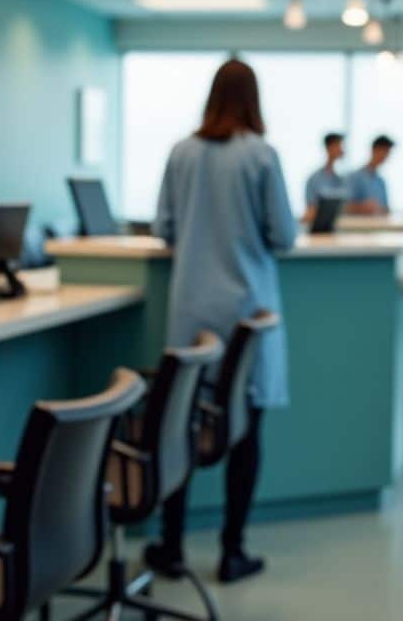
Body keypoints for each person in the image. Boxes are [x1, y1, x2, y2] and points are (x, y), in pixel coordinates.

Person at [149, 58, 297, 583]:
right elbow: (284, 236)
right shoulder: (261, 155)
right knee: (244, 431)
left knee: (179, 429)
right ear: (254, 99)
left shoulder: (180, 153)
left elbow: (164, 228)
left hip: (190, 314)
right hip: (245, 315)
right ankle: (232, 551)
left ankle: (169, 547)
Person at [303, 132, 347, 221]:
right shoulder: (314, 179)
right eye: (338, 145)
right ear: (329, 147)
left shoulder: (340, 180)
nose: (342, 150)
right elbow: (310, 211)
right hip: (317, 230)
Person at [345, 135, 394, 215]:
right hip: (358, 225)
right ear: (374, 150)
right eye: (384, 151)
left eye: (388, 152)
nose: (386, 156)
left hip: (379, 225)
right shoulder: (354, 177)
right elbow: (343, 207)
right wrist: (361, 207)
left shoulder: (381, 181)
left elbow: (386, 209)